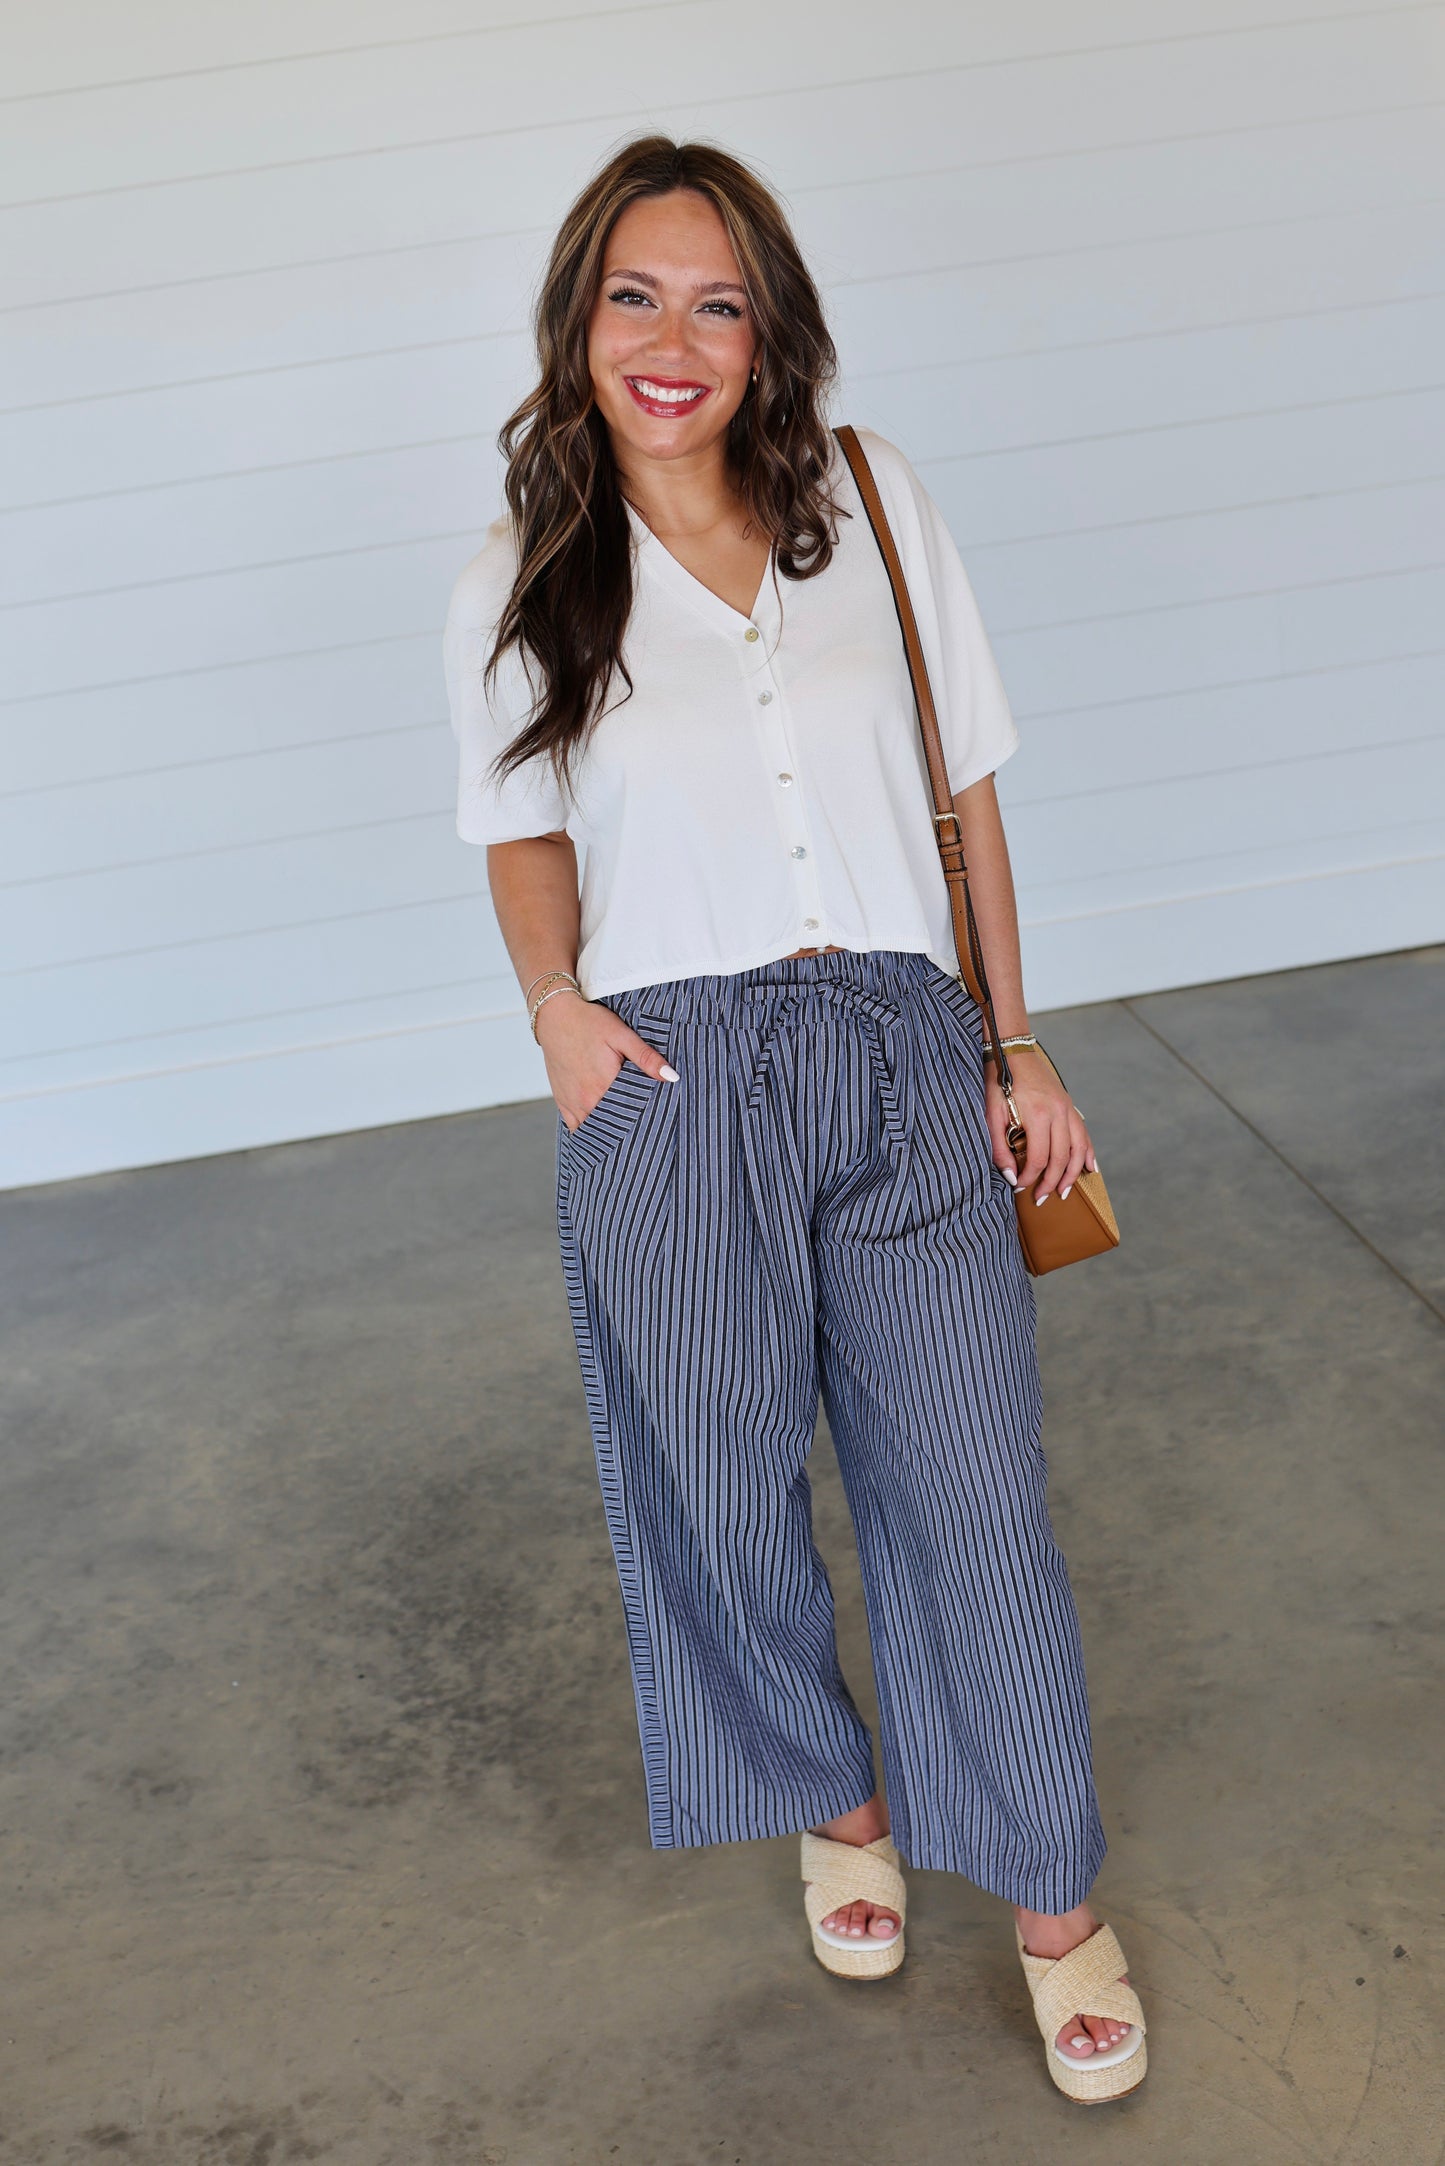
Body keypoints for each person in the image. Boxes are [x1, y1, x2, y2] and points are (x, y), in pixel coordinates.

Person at [444, 134, 1147, 2104]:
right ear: (582, 318)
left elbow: (970, 794)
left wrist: (1016, 1043)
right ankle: (832, 1787)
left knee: (973, 1494)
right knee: (718, 1483)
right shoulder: (520, 574)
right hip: (670, 1081)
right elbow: (517, 830)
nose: (675, 342)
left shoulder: (875, 503)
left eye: (719, 301)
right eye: (635, 298)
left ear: (774, 327)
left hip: (909, 1055)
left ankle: (1051, 1898)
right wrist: (561, 1020)